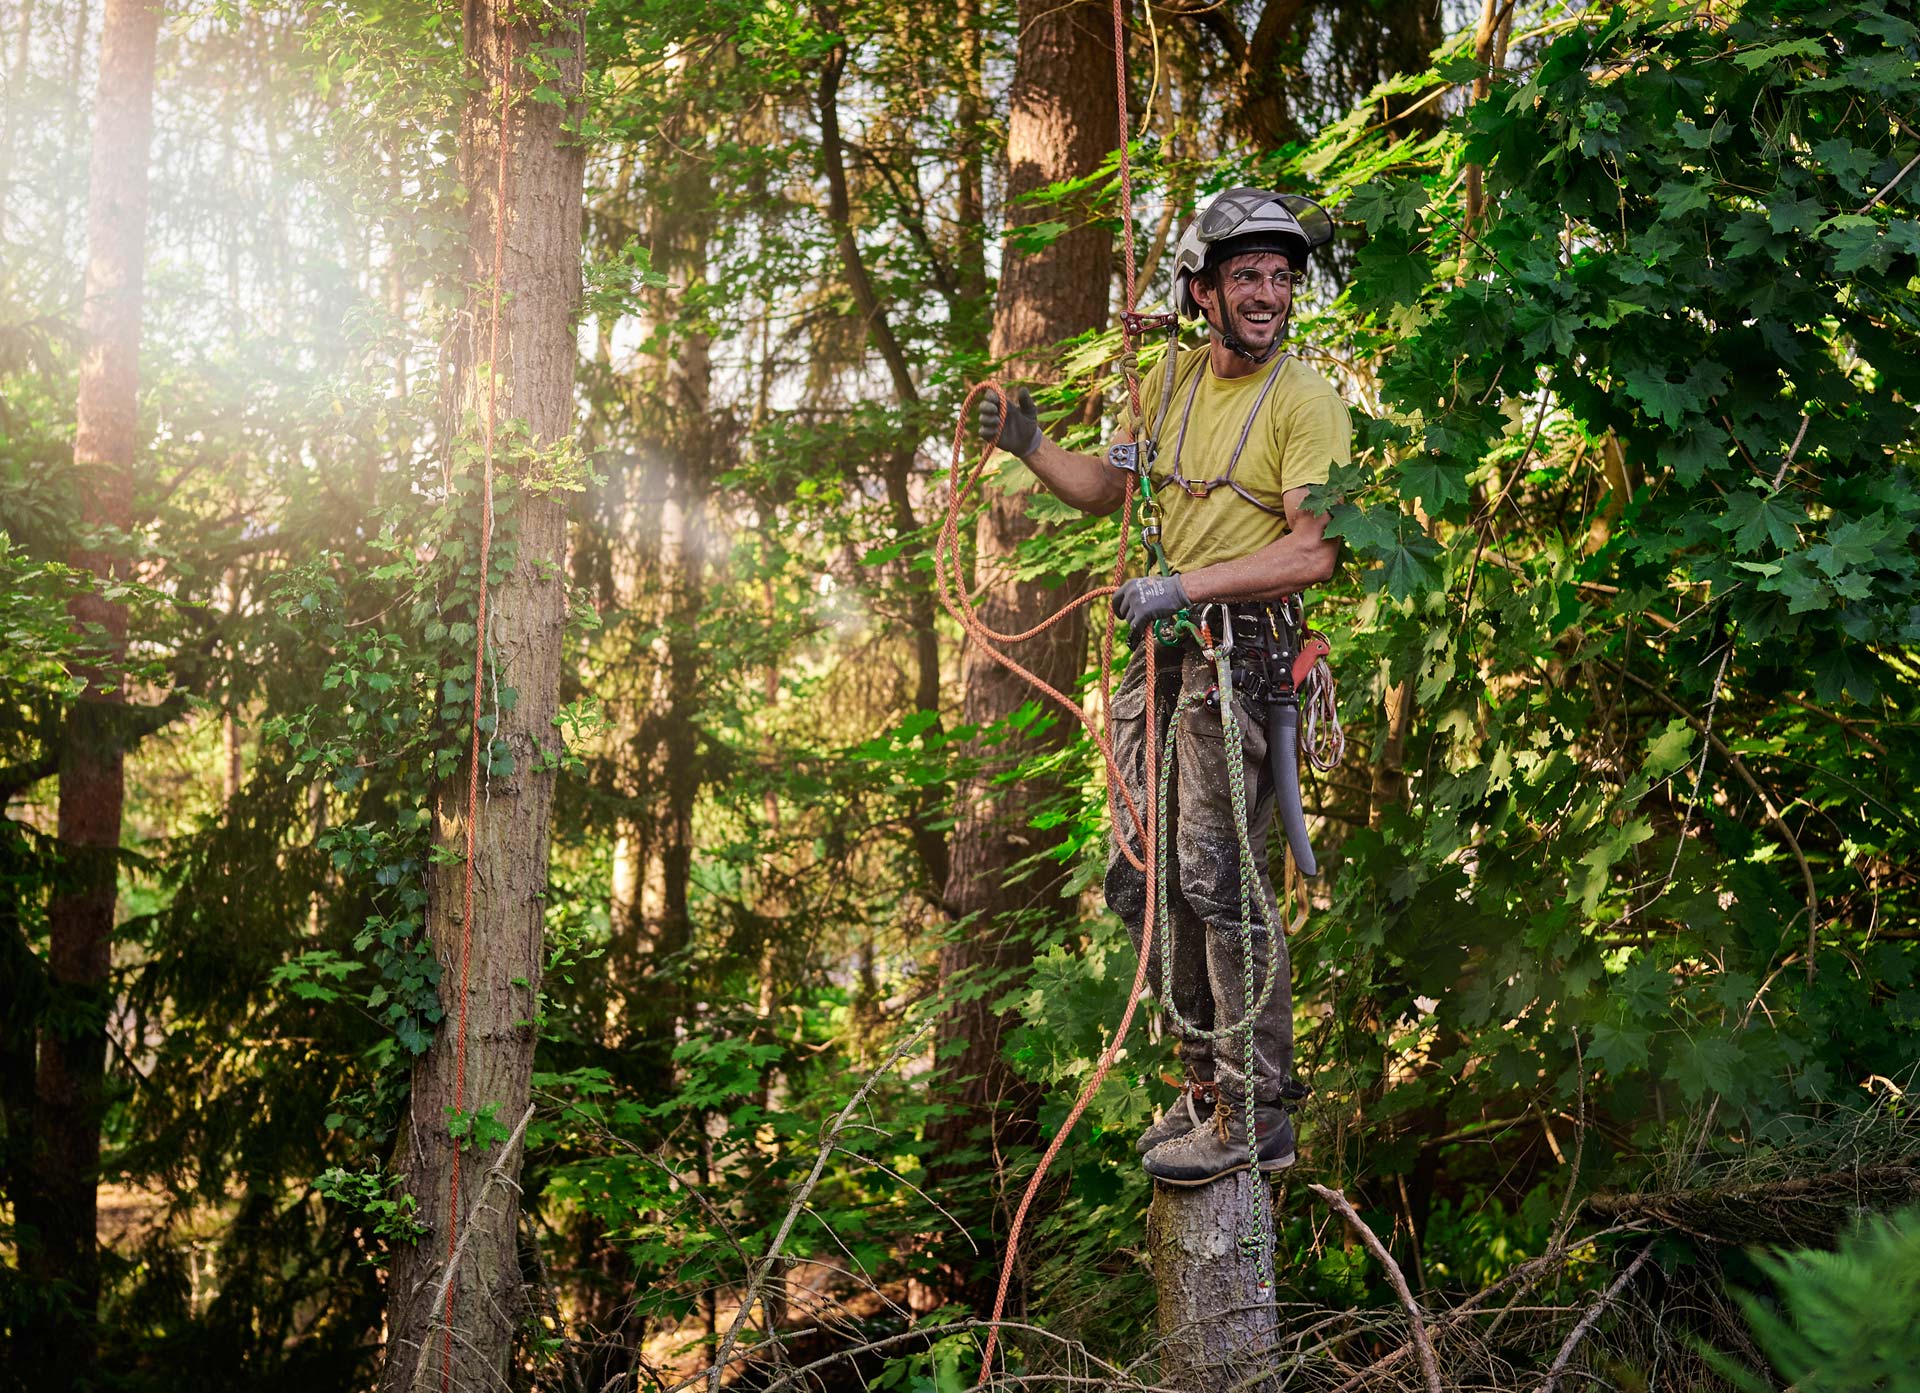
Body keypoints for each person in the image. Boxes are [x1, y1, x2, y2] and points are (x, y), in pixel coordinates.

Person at [975, 188, 1349, 1186]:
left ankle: (1256, 1109)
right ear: (1205, 293)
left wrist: (1183, 585)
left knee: (1219, 876)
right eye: (1247, 278)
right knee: (1154, 876)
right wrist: (1030, 447)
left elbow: (1312, 554)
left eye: (1280, 277)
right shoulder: (1172, 378)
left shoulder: (1305, 402)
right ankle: (1204, 1086)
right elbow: (1109, 490)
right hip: (1167, 649)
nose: (1268, 294)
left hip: (1243, 654)